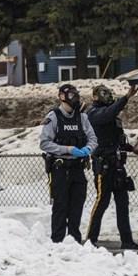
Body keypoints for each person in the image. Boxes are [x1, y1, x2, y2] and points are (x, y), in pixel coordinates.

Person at [84, 83, 138, 250]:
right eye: (103, 93)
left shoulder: (113, 118)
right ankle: (90, 240)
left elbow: (119, 141)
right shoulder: (94, 114)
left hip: (117, 166)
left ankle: (127, 241)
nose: (107, 96)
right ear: (95, 97)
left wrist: (133, 149)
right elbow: (108, 113)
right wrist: (126, 97)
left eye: (108, 93)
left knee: (122, 203)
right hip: (103, 166)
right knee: (101, 202)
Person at [39, 83, 97, 243]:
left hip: (78, 169)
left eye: (76, 95)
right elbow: (44, 143)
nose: (75, 99)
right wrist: (68, 149)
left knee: (76, 206)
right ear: (62, 97)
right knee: (60, 206)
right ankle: (57, 242)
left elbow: (93, 139)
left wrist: (88, 149)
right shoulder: (53, 117)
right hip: (60, 169)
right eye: (71, 95)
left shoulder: (82, 117)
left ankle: (74, 241)